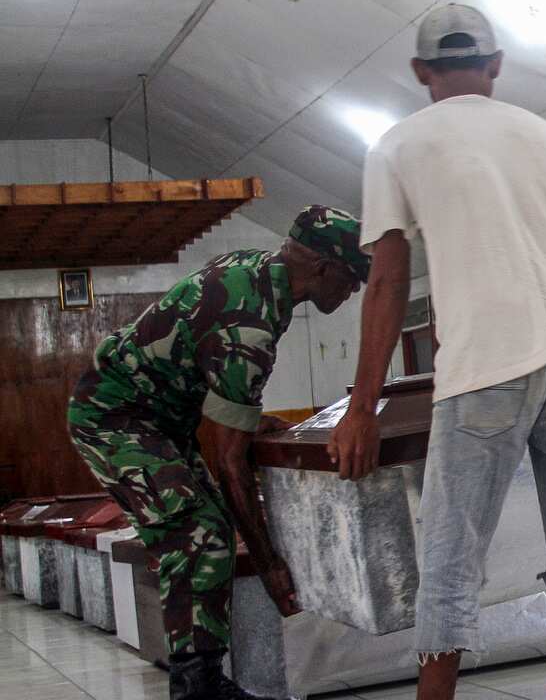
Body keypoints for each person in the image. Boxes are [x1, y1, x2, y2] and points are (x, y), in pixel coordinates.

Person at [328, 3, 546, 700]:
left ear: (422, 71)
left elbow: (388, 282)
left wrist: (360, 407)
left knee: (453, 554)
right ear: (494, 66)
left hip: (487, 361)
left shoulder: (396, 146)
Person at [67, 206, 368, 699]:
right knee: (199, 532)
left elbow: (212, 381)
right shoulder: (251, 322)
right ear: (322, 266)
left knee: (206, 532)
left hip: (163, 420)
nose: (353, 290)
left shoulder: (256, 273)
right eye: (352, 277)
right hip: (115, 419)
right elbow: (230, 465)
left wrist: (248, 422)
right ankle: (198, 688)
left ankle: (200, 678)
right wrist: (270, 565)